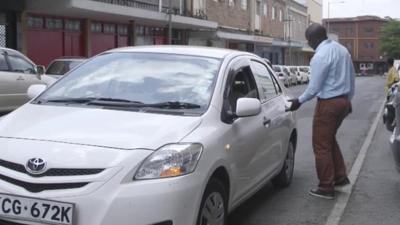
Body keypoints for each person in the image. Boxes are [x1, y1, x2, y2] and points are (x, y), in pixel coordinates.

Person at [287, 24, 355, 200]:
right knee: (329, 140)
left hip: (328, 104)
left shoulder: (320, 56)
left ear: (315, 38)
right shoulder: (342, 50)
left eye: (309, 40)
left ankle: (326, 187)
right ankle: (340, 178)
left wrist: (298, 101)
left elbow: (314, 87)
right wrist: (348, 100)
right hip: (343, 100)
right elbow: (351, 78)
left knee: (321, 145)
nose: (309, 44)